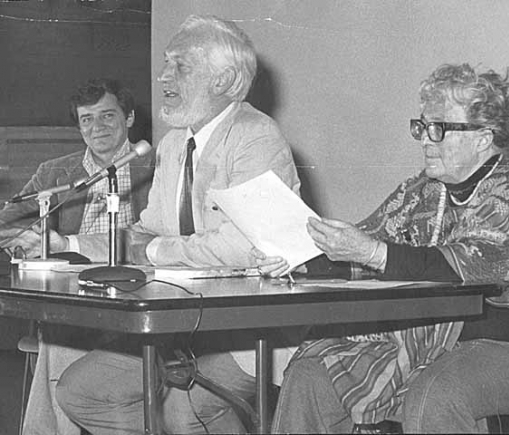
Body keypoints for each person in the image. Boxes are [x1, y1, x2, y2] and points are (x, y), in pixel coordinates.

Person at [256, 63, 509, 434]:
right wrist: (295, 259)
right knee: (312, 374)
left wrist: (369, 252)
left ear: (483, 138)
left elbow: (473, 269)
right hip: (431, 338)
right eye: (421, 127)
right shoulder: (422, 190)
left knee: (436, 392)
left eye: (438, 129)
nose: (425, 139)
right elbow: (362, 242)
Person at [55, 15, 301, 435]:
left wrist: (152, 250)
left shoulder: (256, 136)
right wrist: (63, 242)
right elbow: (144, 232)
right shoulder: (172, 144)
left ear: (223, 79)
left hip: (248, 335)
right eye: (166, 64)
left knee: (185, 411)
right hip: (183, 328)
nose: (164, 76)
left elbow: (242, 246)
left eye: (180, 66)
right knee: (82, 389)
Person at [0, 78, 156, 435]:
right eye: (87, 119)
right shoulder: (55, 173)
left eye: (107, 116)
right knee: (63, 326)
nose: (96, 127)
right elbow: (5, 224)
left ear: (129, 118)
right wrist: (27, 238)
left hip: (141, 290)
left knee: (61, 335)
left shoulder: (155, 166)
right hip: (78, 292)